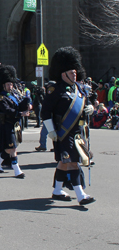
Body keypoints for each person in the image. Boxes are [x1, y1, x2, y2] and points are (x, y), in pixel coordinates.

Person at [41, 46, 95, 205]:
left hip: (78, 132)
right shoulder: (55, 90)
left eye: (75, 71)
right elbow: (45, 112)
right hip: (63, 132)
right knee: (72, 162)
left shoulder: (79, 88)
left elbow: (84, 105)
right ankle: (80, 195)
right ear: (63, 73)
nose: (75, 73)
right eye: (71, 72)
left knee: (64, 162)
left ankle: (57, 190)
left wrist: (89, 109)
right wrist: (50, 130)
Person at [0, 65, 30, 178]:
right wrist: (20, 114)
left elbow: (18, 106)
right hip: (7, 124)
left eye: (11, 84)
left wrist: (26, 101)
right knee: (13, 148)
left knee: (9, 148)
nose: (10, 86)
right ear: (3, 85)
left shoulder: (13, 95)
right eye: (8, 84)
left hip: (15, 125)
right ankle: (17, 170)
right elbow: (7, 110)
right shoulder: (1, 98)